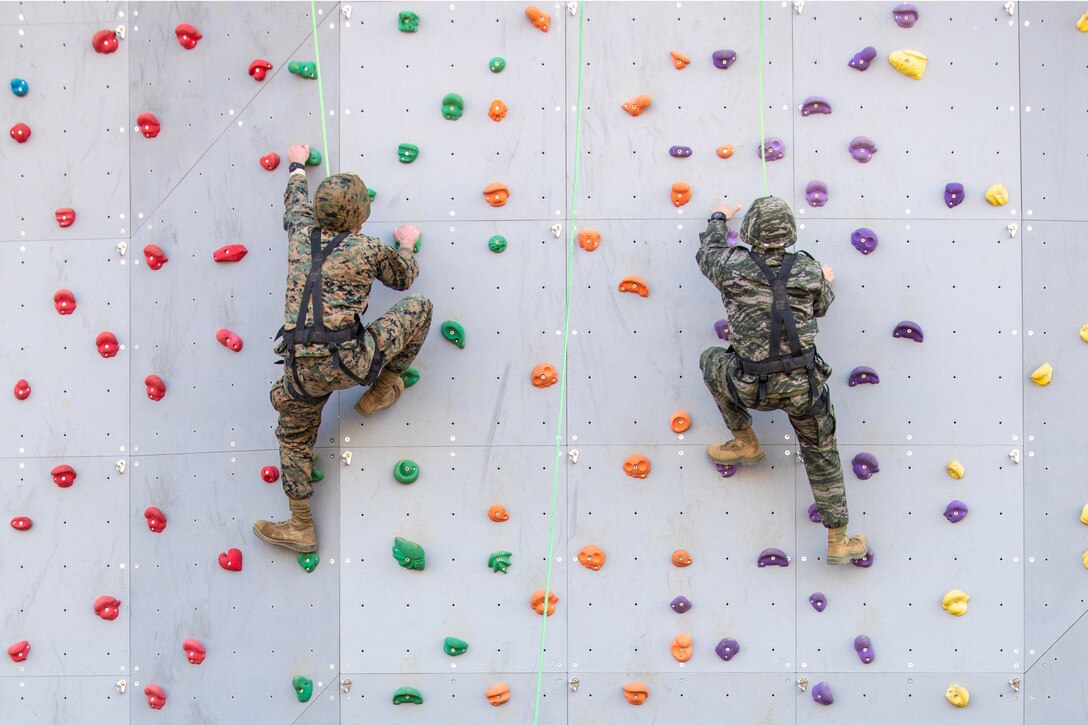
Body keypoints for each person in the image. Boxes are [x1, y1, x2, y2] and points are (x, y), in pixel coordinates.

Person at [253, 144, 433, 553]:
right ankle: (383, 388)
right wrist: (406, 243)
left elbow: (294, 204)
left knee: (293, 435)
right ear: (359, 218)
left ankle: (300, 525)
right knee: (419, 309)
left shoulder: (301, 234)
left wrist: (297, 164)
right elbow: (404, 279)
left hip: (300, 371)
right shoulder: (367, 248)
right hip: (351, 361)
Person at [696, 196, 867, 565]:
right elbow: (821, 305)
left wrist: (717, 217)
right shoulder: (807, 268)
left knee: (711, 360)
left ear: (749, 232)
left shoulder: (729, 265)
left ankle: (745, 441)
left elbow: (706, 250)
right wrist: (824, 278)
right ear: (790, 233)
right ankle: (839, 539)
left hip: (749, 386)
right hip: (804, 389)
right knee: (822, 452)